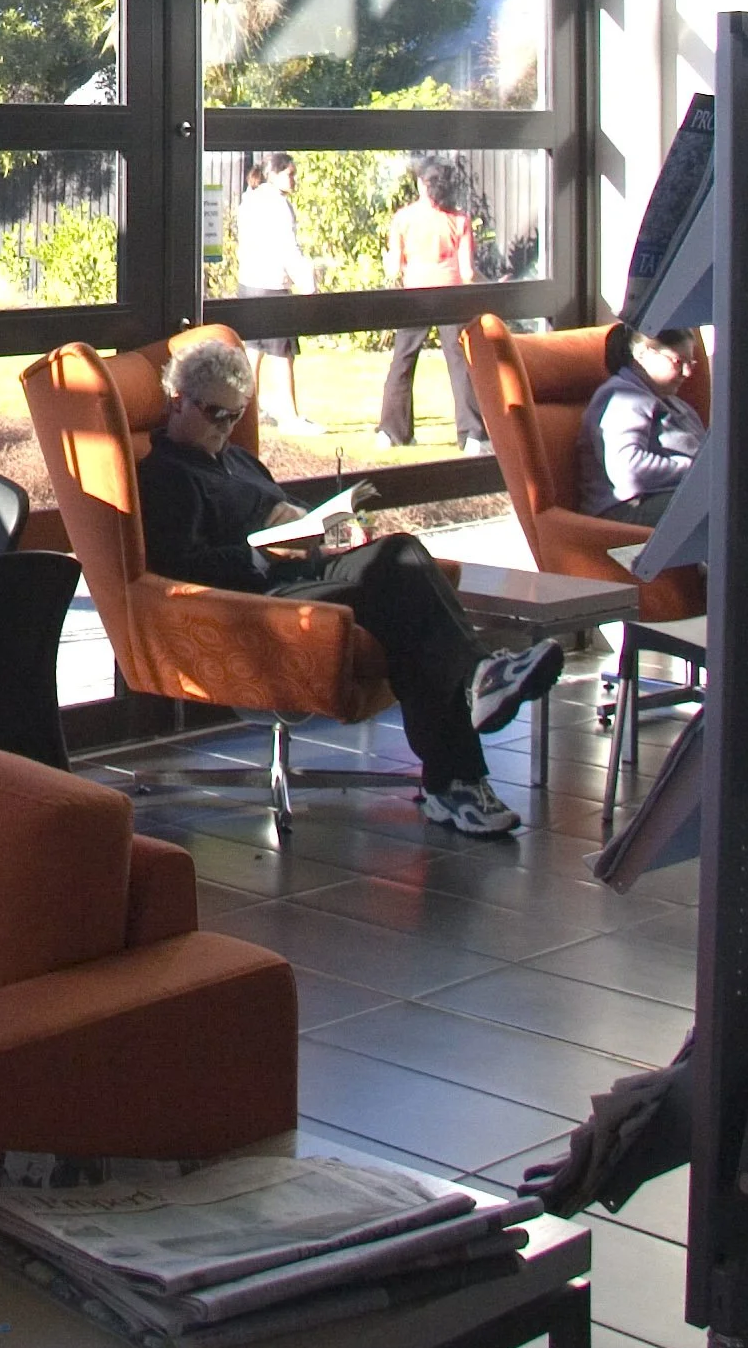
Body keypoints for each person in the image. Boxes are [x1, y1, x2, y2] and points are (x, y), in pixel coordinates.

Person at [139, 333, 561, 839]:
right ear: (177, 401)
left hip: (303, 569)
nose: (225, 429)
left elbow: (280, 513)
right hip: (257, 598)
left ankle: (464, 753)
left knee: (401, 554)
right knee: (401, 593)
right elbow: (182, 566)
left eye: (236, 416)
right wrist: (260, 552)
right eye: (215, 415)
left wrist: (321, 526)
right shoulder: (165, 476)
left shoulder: (239, 461)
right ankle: (460, 768)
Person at [376, 160, 489, 452]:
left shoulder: (404, 218)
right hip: (451, 296)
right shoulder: (460, 220)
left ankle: (391, 431)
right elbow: (467, 272)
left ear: (421, 185)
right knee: (460, 363)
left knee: (403, 360)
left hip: (414, 294)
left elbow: (392, 267)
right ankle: (472, 435)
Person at [577, 325, 704, 523]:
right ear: (642, 354)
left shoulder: (676, 404)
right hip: (625, 509)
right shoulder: (623, 396)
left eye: (691, 363)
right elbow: (627, 470)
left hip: (666, 497)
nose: (687, 372)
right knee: (720, 505)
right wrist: (695, 471)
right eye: (679, 362)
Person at [234, 151, 318, 437]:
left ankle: (249, 411)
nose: (294, 179)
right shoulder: (278, 205)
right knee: (283, 353)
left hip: (249, 283)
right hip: (271, 285)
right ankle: (290, 416)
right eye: (289, 174)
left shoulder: (250, 199)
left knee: (255, 349)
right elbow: (288, 248)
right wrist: (307, 283)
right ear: (274, 173)